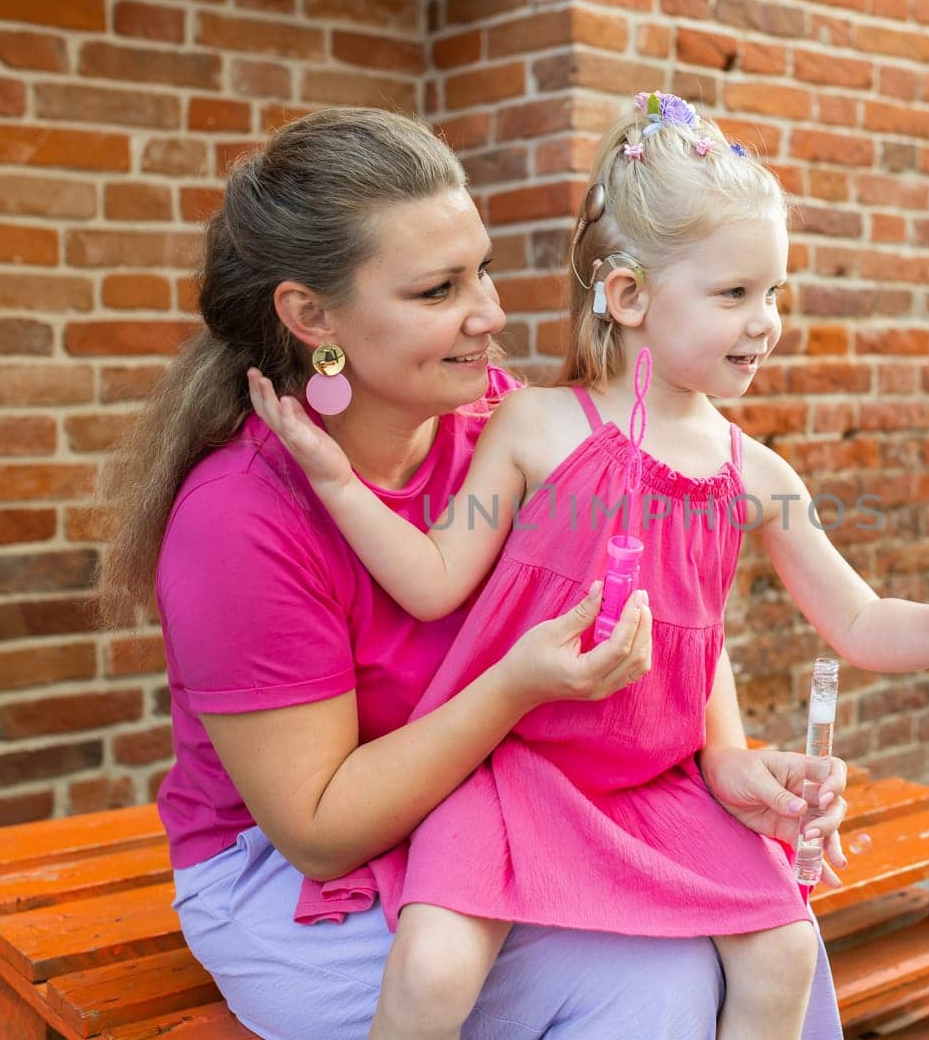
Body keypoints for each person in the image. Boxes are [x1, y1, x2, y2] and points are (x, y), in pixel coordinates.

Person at [248, 93, 929, 1040]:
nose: (766, 322)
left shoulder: (756, 473)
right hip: (514, 771)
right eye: (734, 294)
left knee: (786, 949)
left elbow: (857, 619)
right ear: (627, 297)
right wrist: (338, 483)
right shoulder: (536, 426)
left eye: (775, 292)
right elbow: (429, 578)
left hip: (657, 787)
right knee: (432, 964)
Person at [95, 106, 855, 1040]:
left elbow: (650, 591)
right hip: (293, 873)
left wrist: (722, 757)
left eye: (483, 269)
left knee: (741, 946)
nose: (491, 314)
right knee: (655, 983)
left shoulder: (495, 416)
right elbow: (321, 826)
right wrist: (513, 689)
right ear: (310, 316)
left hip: (501, 805)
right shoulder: (239, 521)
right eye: (437, 289)